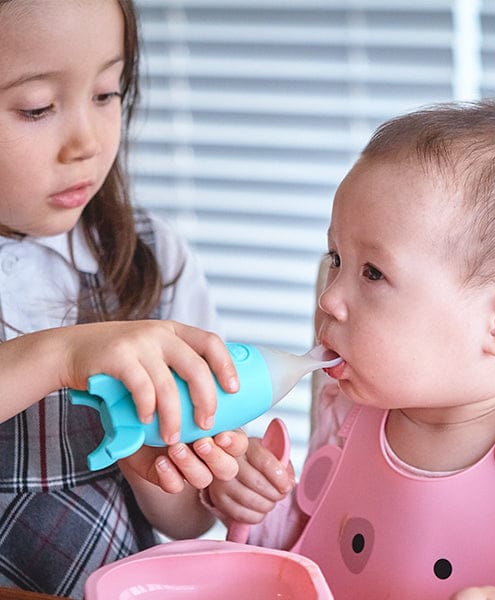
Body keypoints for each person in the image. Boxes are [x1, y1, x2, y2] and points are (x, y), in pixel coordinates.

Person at [206, 100, 495, 599]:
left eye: (373, 272)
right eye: (336, 258)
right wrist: (251, 499)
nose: (329, 298)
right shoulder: (348, 405)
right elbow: (306, 554)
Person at [0, 1, 247, 597]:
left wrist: (178, 474)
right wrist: (66, 356)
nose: (85, 141)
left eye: (107, 93)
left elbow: (188, 521)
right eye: (37, 107)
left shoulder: (154, 259)